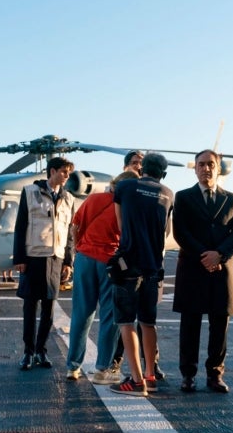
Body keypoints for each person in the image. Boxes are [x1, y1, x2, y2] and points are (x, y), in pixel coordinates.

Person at [172, 149, 233, 394]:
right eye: (201, 164)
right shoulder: (183, 197)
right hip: (194, 268)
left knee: (220, 325)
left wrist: (219, 255)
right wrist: (205, 254)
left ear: (218, 168)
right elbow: (181, 232)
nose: (206, 168)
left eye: (211, 164)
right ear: (195, 168)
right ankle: (188, 375)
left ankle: (215, 374)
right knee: (190, 325)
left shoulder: (232, 199)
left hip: (221, 270)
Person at [108, 153, 173, 396]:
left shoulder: (124, 186)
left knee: (126, 322)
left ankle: (135, 381)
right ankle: (150, 375)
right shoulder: (169, 194)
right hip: (154, 266)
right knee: (148, 322)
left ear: (142, 168)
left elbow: (120, 225)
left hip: (128, 265)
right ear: (163, 173)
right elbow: (166, 231)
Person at [65, 170, 139, 383]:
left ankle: (73, 367)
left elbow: (75, 226)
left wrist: (80, 248)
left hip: (85, 259)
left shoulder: (94, 198)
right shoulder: (126, 207)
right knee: (110, 315)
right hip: (109, 262)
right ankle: (102, 369)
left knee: (81, 312)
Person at [13, 157, 76, 370]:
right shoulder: (30, 192)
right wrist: (20, 258)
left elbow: (69, 234)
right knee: (30, 307)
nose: (67, 176)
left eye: (69, 173)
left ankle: (41, 350)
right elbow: (21, 226)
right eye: (64, 172)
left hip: (56, 258)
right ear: (53, 171)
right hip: (33, 257)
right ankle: (28, 352)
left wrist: (68, 261)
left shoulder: (68, 199)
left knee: (49, 308)